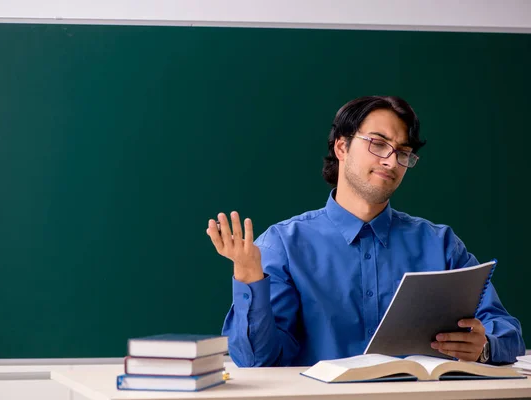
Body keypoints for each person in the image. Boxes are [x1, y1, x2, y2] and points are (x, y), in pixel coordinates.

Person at [205, 96, 525, 367]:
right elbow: (257, 361)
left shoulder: (440, 244)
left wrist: (483, 348)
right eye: (378, 144)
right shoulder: (283, 245)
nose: (391, 161)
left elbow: (509, 333)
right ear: (342, 147)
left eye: (402, 152)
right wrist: (248, 276)